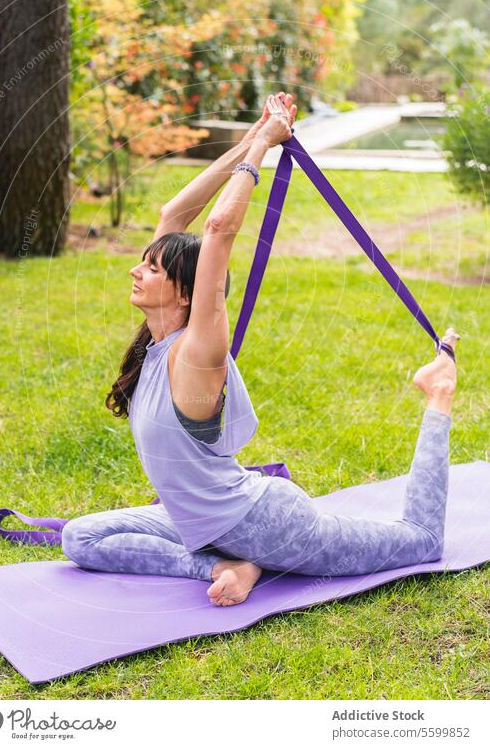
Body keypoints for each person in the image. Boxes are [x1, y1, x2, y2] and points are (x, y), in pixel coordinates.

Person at [61, 91, 460, 607]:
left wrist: (264, 150)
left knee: (421, 542)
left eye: (151, 268)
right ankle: (227, 565)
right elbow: (175, 211)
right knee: (80, 537)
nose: (135, 271)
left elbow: (219, 229)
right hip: (206, 525)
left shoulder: (197, 350)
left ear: (185, 293)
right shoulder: (155, 341)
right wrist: (257, 134)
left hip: (270, 524)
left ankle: (439, 390)